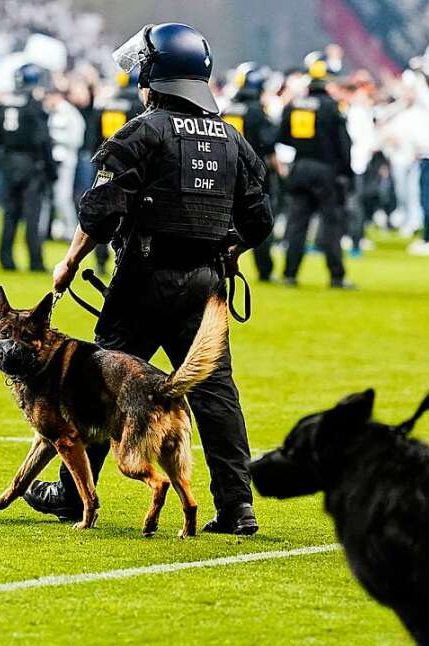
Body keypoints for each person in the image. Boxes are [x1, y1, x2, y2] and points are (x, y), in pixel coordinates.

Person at [23, 22, 273, 536]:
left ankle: (74, 497)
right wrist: (227, 252)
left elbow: (100, 210)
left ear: (156, 77)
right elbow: (259, 221)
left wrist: (69, 263)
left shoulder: (145, 131)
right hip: (204, 286)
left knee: (92, 383)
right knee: (216, 392)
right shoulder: (231, 139)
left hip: (142, 279)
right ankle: (236, 507)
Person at [278, 52, 355, 289]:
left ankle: (290, 273)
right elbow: (343, 144)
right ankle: (336, 276)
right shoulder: (332, 108)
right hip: (325, 170)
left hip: (300, 167)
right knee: (331, 224)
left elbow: (283, 137)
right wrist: (346, 173)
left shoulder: (293, 106)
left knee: (297, 224)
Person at [0, 63, 55, 272]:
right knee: (32, 215)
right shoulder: (33, 105)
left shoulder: (3, 103)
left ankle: (5, 259)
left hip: (9, 162)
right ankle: (35, 262)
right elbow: (43, 140)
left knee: (10, 213)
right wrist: (50, 169)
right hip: (31, 164)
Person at [222, 62, 278, 282]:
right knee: (259, 220)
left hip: (227, 172)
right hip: (253, 174)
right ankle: (265, 269)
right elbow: (268, 142)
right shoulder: (257, 111)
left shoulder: (228, 108)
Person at [86, 70, 144, 275]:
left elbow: (92, 140)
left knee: (102, 214)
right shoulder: (140, 108)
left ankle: (100, 260)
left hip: (105, 167)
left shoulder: (105, 105)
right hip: (130, 169)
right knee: (131, 218)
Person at [44, 85, 85, 242]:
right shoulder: (52, 112)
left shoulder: (70, 113)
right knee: (52, 198)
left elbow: (77, 139)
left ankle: (71, 231)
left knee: (63, 197)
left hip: (66, 160)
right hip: (53, 160)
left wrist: (54, 138)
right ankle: (54, 230)